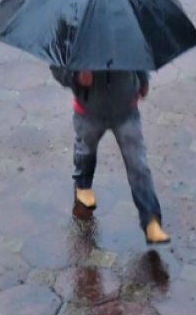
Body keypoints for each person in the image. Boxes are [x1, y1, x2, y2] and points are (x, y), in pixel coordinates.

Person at [51, 67, 170, 244]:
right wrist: (75, 77)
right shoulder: (73, 39)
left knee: (138, 165)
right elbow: (57, 66)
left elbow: (137, 54)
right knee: (86, 151)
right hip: (88, 111)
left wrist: (143, 79)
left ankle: (151, 220)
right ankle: (83, 185)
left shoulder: (125, 38)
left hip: (126, 109)